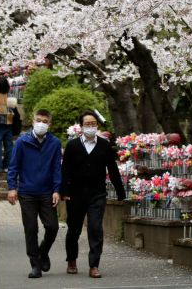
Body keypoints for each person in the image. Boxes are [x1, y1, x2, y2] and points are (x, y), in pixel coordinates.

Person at [61, 110, 125, 278]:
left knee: (95, 228)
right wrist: (64, 192)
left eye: (93, 124)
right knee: (74, 230)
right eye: (87, 124)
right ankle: (72, 260)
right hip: (75, 194)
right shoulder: (73, 145)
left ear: (97, 126)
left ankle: (94, 265)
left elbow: (113, 169)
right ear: (81, 126)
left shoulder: (104, 145)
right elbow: (65, 170)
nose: (90, 127)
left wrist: (120, 192)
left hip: (97, 193)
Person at [7, 109, 62, 278]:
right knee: (31, 229)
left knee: (52, 226)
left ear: (49, 124)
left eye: (45, 121)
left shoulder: (54, 143)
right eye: (38, 120)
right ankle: (35, 265)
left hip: (46, 192)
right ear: (32, 121)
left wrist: (57, 190)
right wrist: (11, 188)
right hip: (27, 193)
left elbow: (56, 168)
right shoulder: (22, 142)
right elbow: (14, 166)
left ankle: (43, 252)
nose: (41, 123)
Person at [0, 75, 17, 173]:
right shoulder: (10, 95)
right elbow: (14, 109)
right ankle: (7, 166)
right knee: (9, 145)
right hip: (9, 122)